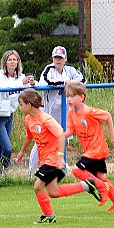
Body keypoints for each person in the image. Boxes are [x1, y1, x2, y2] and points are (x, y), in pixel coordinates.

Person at [17, 88, 102, 224]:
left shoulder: (45, 119)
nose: (19, 107)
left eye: (21, 104)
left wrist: (60, 157)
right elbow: (29, 137)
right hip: (45, 159)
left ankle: (49, 216)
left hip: (53, 159)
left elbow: (61, 134)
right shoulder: (28, 119)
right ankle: (87, 185)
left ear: (29, 105)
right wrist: (22, 152)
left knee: (37, 187)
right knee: (53, 192)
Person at [64, 81, 114, 212]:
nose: (69, 99)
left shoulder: (88, 111)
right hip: (91, 151)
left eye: (72, 96)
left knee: (76, 170)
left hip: (97, 149)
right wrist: (58, 136)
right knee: (101, 177)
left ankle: (100, 188)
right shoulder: (71, 114)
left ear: (82, 97)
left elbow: (107, 115)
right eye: (67, 96)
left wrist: (112, 135)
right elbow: (70, 131)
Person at [29, 46, 85, 174]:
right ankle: (31, 171)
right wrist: (64, 83)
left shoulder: (70, 70)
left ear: (65, 58)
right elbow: (46, 82)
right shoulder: (49, 69)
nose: (58, 60)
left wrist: (69, 83)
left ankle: (60, 166)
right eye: (56, 57)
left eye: (60, 57)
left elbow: (82, 80)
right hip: (49, 112)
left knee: (61, 137)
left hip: (65, 111)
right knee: (41, 140)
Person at [0, 50, 38, 175]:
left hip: (9, 114)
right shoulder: (0, 75)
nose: (12, 62)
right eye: (10, 60)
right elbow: (5, 88)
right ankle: (3, 168)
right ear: (5, 62)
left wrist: (32, 83)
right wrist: (21, 83)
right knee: (7, 147)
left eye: (14, 59)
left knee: (1, 146)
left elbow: (30, 90)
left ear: (18, 62)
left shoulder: (20, 76)